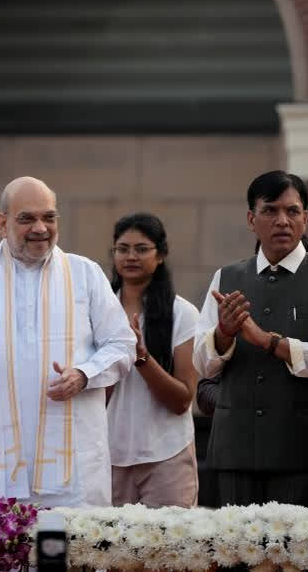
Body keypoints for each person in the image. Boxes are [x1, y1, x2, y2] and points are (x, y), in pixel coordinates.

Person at [0, 176, 135, 506]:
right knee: (1, 556)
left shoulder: (85, 273)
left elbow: (122, 346)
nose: (40, 228)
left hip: (73, 469)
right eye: (27, 219)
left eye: (49, 217)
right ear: (2, 222)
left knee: (72, 555)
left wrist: (84, 374)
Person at [195, 170, 308, 507]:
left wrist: (271, 342)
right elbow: (201, 363)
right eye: (270, 211)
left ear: (306, 219)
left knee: (296, 557)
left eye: (292, 211)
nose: (282, 221)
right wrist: (224, 334)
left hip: (305, 452)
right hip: (234, 449)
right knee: (238, 554)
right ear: (251, 219)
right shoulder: (226, 277)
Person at [105, 213, 200, 507]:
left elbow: (182, 399)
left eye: (141, 248)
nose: (131, 256)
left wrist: (142, 358)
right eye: (123, 248)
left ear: (161, 255)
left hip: (167, 455)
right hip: (106, 456)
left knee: (169, 550)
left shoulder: (182, 314)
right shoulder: (97, 311)